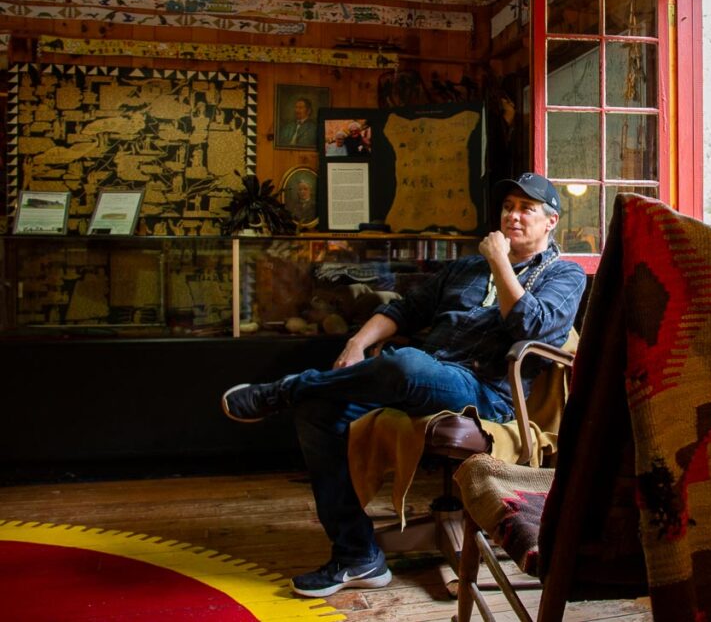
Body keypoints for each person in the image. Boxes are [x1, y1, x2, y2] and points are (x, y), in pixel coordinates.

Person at [220, 172, 585, 598]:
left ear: (551, 222)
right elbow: (407, 310)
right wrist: (357, 344)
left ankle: (286, 389)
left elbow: (529, 324)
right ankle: (357, 556)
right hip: (426, 373)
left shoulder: (566, 275)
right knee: (319, 412)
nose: (514, 216)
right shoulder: (466, 267)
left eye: (527, 209)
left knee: (407, 364)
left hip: (483, 392)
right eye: (508, 207)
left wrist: (501, 262)